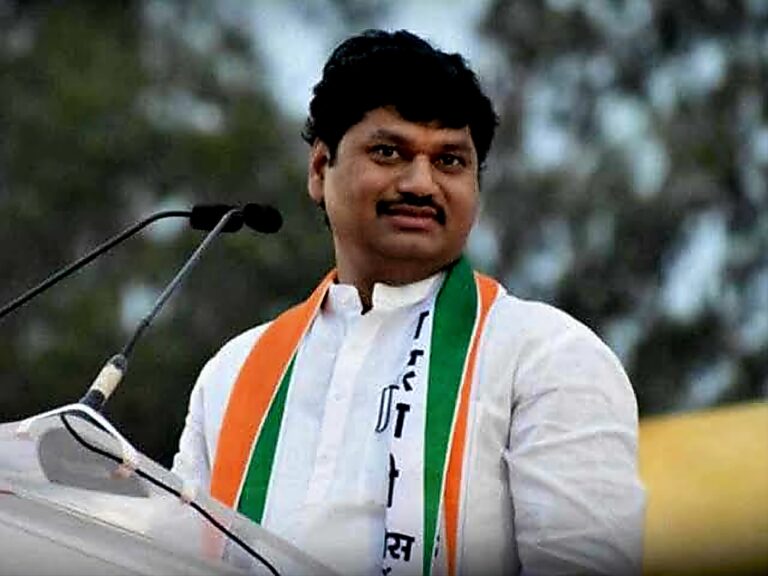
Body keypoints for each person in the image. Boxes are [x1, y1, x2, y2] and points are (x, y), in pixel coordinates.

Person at [172, 29, 645, 576]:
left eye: (450, 161)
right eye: (389, 152)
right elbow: (169, 558)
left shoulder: (544, 356)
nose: (421, 183)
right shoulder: (236, 371)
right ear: (320, 168)